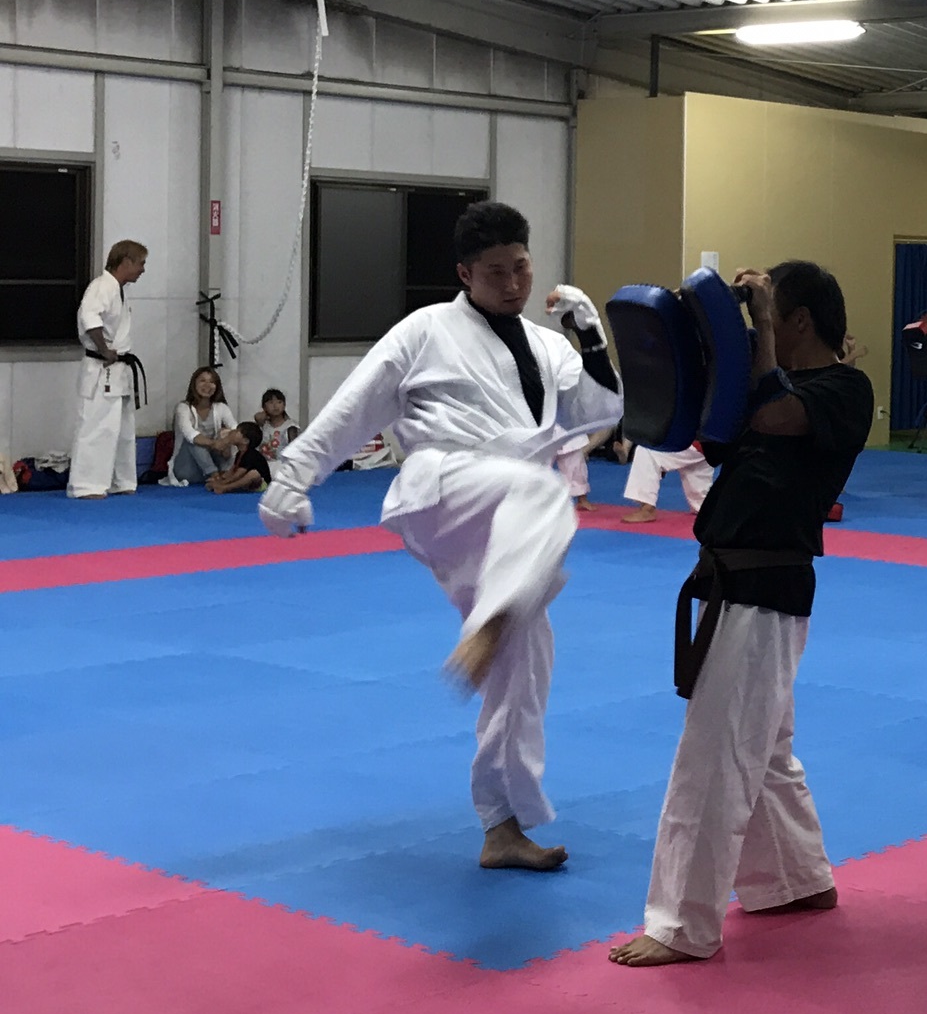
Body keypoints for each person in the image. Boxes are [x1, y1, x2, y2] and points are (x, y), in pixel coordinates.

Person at [259, 201, 621, 870]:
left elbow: (602, 412)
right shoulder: (424, 330)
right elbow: (352, 407)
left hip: (510, 522)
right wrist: (291, 477)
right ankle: (490, 621)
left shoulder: (546, 345)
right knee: (544, 490)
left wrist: (590, 338)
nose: (512, 284)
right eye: (495, 272)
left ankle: (501, 827)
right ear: (464, 273)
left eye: (521, 269)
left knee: (526, 664)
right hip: (446, 488)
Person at [611, 260, 873, 966]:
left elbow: (773, 414)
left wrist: (754, 333)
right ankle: (796, 878)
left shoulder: (843, 389)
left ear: (798, 322)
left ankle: (680, 924)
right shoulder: (767, 386)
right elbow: (713, 433)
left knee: (714, 754)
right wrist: (711, 330)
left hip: (765, 589)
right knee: (765, 748)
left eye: (772, 313)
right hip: (735, 585)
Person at [71, 239, 147, 499]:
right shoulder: (102, 286)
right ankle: (86, 485)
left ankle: (121, 480)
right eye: (141, 263)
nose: (143, 269)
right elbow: (89, 318)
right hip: (102, 368)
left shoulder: (118, 289)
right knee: (97, 427)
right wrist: (104, 349)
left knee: (122, 431)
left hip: (119, 369)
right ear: (125, 262)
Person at [170, 367, 250, 488]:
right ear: (194, 384)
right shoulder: (183, 408)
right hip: (187, 469)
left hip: (214, 464)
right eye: (202, 381)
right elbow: (190, 434)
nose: (207, 385)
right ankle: (215, 475)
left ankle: (222, 474)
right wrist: (215, 444)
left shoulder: (221, 407)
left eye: (212, 382)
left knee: (226, 433)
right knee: (195, 440)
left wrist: (226, 441)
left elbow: (236, 429)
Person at [621, 442, 714, 523]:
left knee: (647, 451)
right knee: (705, 507)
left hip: (692, 442)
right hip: (709, 445)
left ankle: (647, 509)